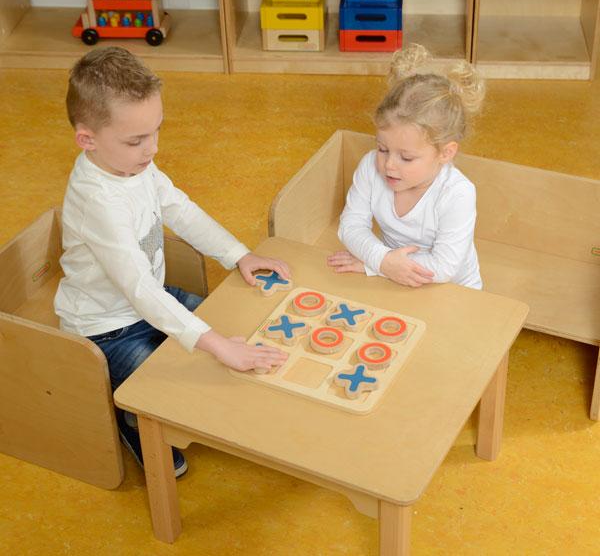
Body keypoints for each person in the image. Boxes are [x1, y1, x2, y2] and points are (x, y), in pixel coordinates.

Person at [54, 46, 288, 477]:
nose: (152, 149)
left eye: (156, 131)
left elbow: (181, 210)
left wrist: (239, 254)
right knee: (174, 384)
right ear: (87, 139)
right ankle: (132, 419)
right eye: (136, 140)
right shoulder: (98, 201)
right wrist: (216, 346)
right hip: (108, 330)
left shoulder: (133, 166)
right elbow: (138, 289)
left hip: (154, 300)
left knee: (233, 330)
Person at [327, 43, 485, 290]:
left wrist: (376, 265)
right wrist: (383, 262)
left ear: (445, 153)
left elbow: (444, 267)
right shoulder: (370, 166)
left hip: (453, 289)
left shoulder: (458, 192)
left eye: (407, 158)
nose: (389, 165)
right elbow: (350, 226)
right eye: (382, 149)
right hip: (395, 280)